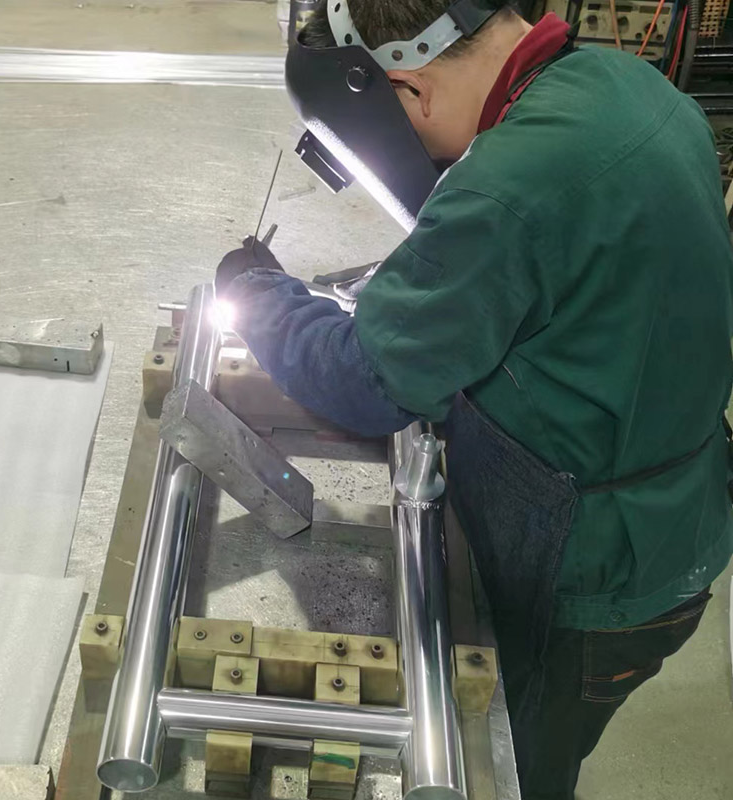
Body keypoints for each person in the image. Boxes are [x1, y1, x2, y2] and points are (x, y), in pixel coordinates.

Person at [214, 1, 733, 797]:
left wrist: (258, 294)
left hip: (593, 578)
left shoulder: (508, 187)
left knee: (506, 759)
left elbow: (368, 380)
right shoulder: (626, 86)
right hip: (674, 511)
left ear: (411, 89)